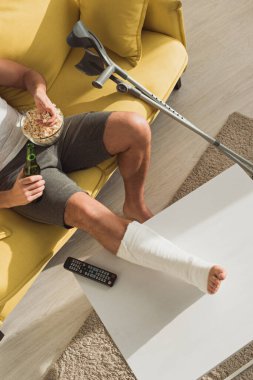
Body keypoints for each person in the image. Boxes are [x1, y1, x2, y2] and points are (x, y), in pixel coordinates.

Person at [0, 59, 226, 294]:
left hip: (41, 132)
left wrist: (40, 95)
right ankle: (192, 270)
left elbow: (28, 74)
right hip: (17, 172)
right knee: (90, 213)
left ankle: (134, 206)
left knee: (134, 127)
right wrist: (10, 197)